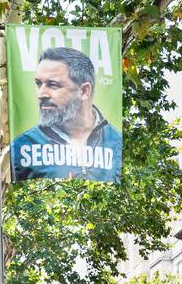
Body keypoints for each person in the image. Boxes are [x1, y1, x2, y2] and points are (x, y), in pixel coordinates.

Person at [8, 46, 123, 183]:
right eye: (39, 84)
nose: (41, 94)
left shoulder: (116, 142)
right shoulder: (21, 147)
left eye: (53, 85)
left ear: (84, 91)